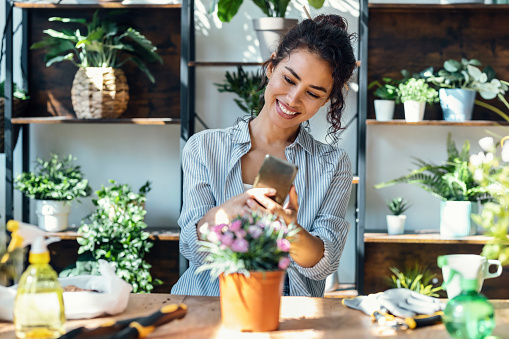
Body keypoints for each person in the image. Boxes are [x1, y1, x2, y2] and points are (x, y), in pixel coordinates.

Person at [171, 14, 357, 297]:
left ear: (327, 100)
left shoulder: (332, 164)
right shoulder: (205, 148)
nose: (293, 99)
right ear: (271, 67)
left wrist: (291, 230)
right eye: (289, 79)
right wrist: (224, 215)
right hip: (207, 305)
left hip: (289, 312)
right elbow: (190, 248)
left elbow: (324, 264)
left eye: (313, 93)